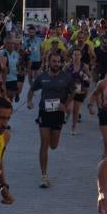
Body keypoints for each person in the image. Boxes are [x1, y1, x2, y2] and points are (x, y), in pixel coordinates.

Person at [26, 50, 75, 188]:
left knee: (53, 145)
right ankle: (44, 175)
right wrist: (29, 102)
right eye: (54, 61)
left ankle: (47, 157)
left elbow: (73, 92)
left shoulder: (66, 78)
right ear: (49, 62)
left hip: (58, 114)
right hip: (44, 112)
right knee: (44, 144)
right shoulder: (42, 77)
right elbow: (31, 90)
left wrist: (65, 105)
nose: (56, 64)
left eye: (58, 62)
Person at [66, 47, 91, 135]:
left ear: (81, 56)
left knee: (76, 111)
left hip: (80, 90)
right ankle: (67, 115)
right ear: (72, 56)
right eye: (75, 54)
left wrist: (84, 76)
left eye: (78, 54)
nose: (76, 56)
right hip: (69, 91)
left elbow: (89, 78)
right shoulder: (68, 65)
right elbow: (61, 76)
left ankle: (73, 127)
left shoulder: (84, 66)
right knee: (69, 108)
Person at [0, 34, 23, 102]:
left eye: (12, 43)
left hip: (13, 79)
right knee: (3, 98)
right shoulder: (1, 53)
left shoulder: (17, 54)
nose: (11, 45)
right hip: (3, 80)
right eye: (9, 43)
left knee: (10, 98)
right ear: (5, 44)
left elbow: (18, 66)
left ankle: (9, 111)